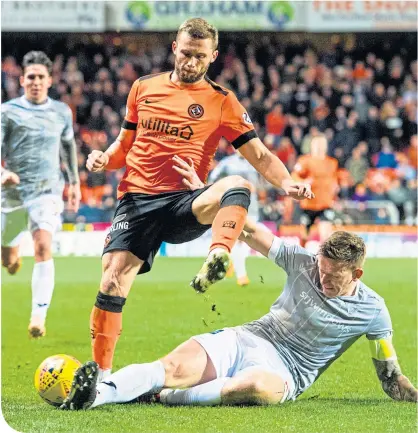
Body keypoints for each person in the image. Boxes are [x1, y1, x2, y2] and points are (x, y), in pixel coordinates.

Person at [84, 18, 312, 383]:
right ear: (175, 48)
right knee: (112, 281)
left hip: (184, 201)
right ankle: (100, 377)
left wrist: (288, 183)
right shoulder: (143, 88)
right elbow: (123, 146)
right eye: (186, 53)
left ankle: (218, 253)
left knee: (238, 182)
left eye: (200, 57)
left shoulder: (222, 101)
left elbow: (260, 156)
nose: (191, 62)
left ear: (213, 57)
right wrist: (102, 159)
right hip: (137, 201)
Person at [60, 227, 417, 410]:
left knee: (257, 388)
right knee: (169, 365)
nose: (321, 278)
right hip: (249, 337)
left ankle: (162, 398)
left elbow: (389, 376)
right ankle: (94, 396)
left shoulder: (373, 311)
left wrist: (411, 395)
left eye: (332, 276)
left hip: (285, 374)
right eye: (321, 269)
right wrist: (217, 200)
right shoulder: (302, 261)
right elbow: (250, 231)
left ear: (356, 275)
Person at [1, 51, 80, 338]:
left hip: (47, 191)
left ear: (50, 80)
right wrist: (3, 175)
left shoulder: (61, 112)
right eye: (30, 77)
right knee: (8, 260)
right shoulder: (7, 112)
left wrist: (74, 183)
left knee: (43, 246)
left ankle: (38, 316)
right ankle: (11, 257)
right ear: (22, 80)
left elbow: (68, 148)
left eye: (41, 77)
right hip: (12, 194)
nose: (35, 82)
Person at [207, 153, 261, 286]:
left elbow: (261, 183)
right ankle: (242, 275)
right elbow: (213, 178)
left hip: (252, 207)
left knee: (245, 240)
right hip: (235, 205)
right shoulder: (227, 163)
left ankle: (229, 260)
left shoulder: (254, 162)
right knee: (238, 239)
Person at [292, 134, 339, 247]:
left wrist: (335, 188)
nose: (319, 147)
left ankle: (323, 262)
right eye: (317, 144)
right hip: (308, 204)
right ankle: (301, 256)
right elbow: (294, 176)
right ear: (312, 146)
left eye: (322, 144)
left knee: (326, 236)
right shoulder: (304, 161)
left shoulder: (332, 162)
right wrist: (304, 182)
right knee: (304, 236)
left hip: (325, 204)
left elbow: (334, 179)